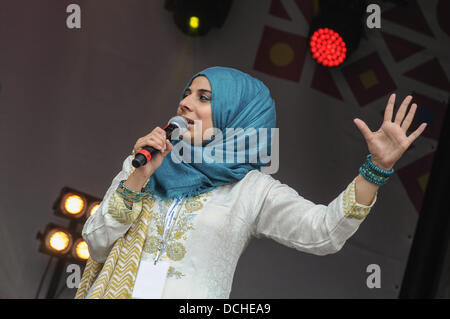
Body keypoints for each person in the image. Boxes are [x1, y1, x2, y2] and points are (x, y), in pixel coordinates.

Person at [75, 66, 427, 299]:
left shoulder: (253, 190)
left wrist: (376, 168)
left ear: (237, 113)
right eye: (186, 94)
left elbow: (323, 232)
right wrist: (137, 178)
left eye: (203, 97)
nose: (184, 103)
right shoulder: (144, 166)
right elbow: (96, 243)